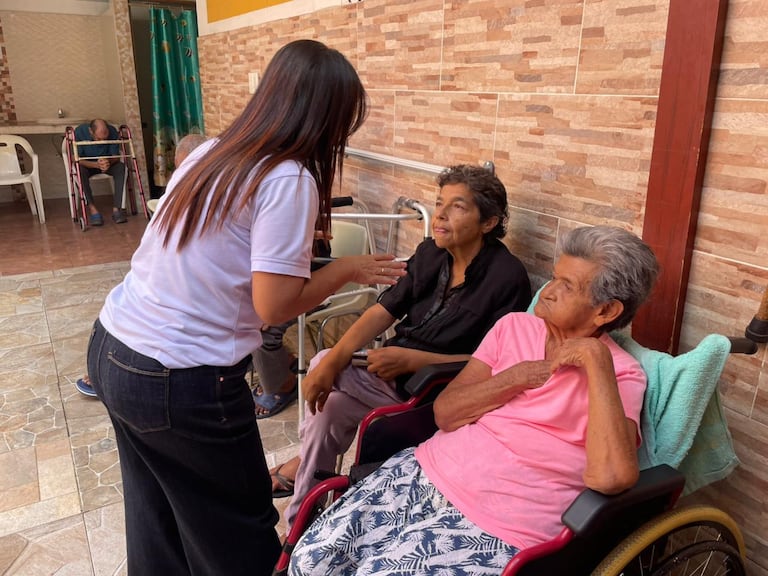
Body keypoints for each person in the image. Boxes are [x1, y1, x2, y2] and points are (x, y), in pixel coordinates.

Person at [84, 39, 406, 576]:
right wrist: (346, 269)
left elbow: (218, 243)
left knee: (157, 513)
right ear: (323, 115)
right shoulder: (287, 176)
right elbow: (274, 306)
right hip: (179, 378)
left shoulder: (214, 152)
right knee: (239, 527)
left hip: (115, 347)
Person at [288, 225, 659, 575]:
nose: (547, 291)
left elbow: (611, 478)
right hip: (426, 472)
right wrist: (513, 378)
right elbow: (446, 413)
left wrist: (596, 361)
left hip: (504, 521)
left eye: (567, 286)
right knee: (310, 559)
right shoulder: (514, 327)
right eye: (554, 277)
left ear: (606, 311)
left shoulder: (621, 375)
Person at [274, 164, 533, 529]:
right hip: (387, 380)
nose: (440, 214)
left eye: (457, 207)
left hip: (434, 394)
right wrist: (337, 361)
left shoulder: (507, 277)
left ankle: (301, 475)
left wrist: (414, 360)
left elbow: (499, 360)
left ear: (488, 222)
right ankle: (304, 515)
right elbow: (383, 310)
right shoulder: (430, 253)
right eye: (439, 202)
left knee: (322, 362)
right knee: (327, 410)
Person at [74, 133, 208, 398]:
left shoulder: (215, 196)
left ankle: (117, 365)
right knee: (146, 296)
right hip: (159, 295)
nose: (182, 173)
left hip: (189, 301)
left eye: (185, 167)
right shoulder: (182, 195)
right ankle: (115, 363)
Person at [74, 119, 128, 225]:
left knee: (121, 167)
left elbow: (116, 156)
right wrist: (96, 165)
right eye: (98, 138)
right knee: (80, 171)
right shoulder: (80, 132)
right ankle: (93, 209)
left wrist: (108, 162)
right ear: (91, 131)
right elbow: (75, 158)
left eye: (105, 139)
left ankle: (117, 209)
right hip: (88, 165)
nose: (101, 142)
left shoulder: (112, 131)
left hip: (107, 163)